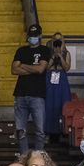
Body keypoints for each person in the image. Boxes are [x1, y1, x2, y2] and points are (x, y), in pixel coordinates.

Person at [12, 23, 51, 155]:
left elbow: (41, 69)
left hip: (37, 94)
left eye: (35, 35)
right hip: (20, 94)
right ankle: (24, 156)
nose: (32, 38)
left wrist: (23, 65)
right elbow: (14, 69)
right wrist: (33, 69)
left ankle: (38, 156)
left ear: (40, 36)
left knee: (40, 130)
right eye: (31, 35)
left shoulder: (45, 50)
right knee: (20, 130)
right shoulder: (21, 50)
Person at [44, 32, 73, 145]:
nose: (57, 42)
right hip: (50, 79)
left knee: (62, 104)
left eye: (59, 40)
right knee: (49, 105)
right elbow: (46, 68)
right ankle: (48, 131)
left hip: (61, 80)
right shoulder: (47, 53)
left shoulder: (66, 53)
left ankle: (61, 131)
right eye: (55, 40)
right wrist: (53, 56)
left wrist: (60, 55)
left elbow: (67, 68)